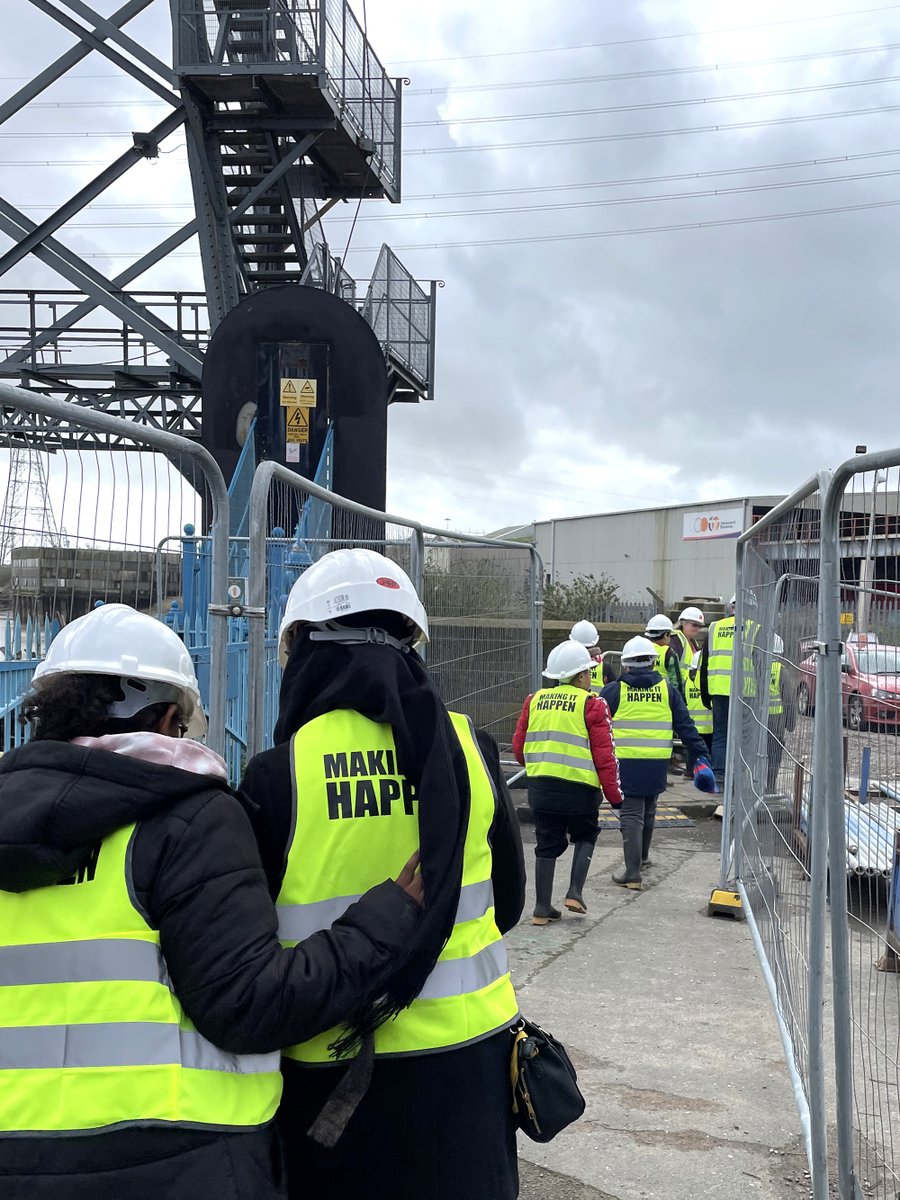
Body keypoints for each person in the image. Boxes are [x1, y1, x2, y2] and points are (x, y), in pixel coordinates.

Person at [0, 604, 423, 1200]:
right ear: (170, 716)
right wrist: (385, 919)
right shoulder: (189, 817)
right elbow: (250, 1005)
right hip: (175, 1161)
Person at [240, 549, 525, 1200]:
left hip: (329, 1086)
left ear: (304, 651)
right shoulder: (471, 751)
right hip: (471, 1070)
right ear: (410, 645)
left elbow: (246, 953)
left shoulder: (276, 775)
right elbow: (505, 905)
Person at [514, 640, 623, 923]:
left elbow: (519, 747)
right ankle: (575, 892)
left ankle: (541, 908)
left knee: (546, 843)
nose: (590, 676)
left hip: (541, 788)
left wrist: (539, 766)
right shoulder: (592, 704)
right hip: (580, 791)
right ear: (580, 676)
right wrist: (614, 796)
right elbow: (605, 755)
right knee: (586, 835)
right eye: (587, 672)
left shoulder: (533, 700)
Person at [601, 636, 710, 891]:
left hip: (626, 763)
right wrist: (700, 753)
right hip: (657, 763)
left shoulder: (614, 691)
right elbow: (685, 724)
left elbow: (596, 725)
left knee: (630, 814)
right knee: (649, 809)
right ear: (653, 663)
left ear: (625, 665)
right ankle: (642, 859)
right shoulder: (666, 689)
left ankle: (632, 872)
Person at [699, 594, 759, 788]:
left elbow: (705, 662)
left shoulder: (714, 627)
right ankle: (739, 774)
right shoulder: (754, 629)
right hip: (745, 691)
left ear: (732, 607)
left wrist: (705, 693)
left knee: (721, 734)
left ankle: (719, 775)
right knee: (743, 736)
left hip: (719, 689)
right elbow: (760, 665)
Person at [766, 635, 796, 793]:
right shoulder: (781, 671)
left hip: (756, 719)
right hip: (775, 722)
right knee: (774, 756)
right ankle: (770, 787)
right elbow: (789, 699)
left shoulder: (754, 666)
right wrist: (791, 723)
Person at [644, 613, 684, 697]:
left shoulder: (644, 650)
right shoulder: (669, 653)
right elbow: (676, 681)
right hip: (664, 695)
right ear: (666, 635)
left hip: (646, 695)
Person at [569, 617, 608, 692]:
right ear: (595, 641)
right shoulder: (604, 666)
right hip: (597, 702)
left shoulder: (566, 664)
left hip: (574, 703)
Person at [670, 606, 705, 671]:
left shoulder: (694, 642)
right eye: (694, 625)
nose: (697, 628)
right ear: (683, 623)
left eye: (699, 626)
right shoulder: (674, 640)